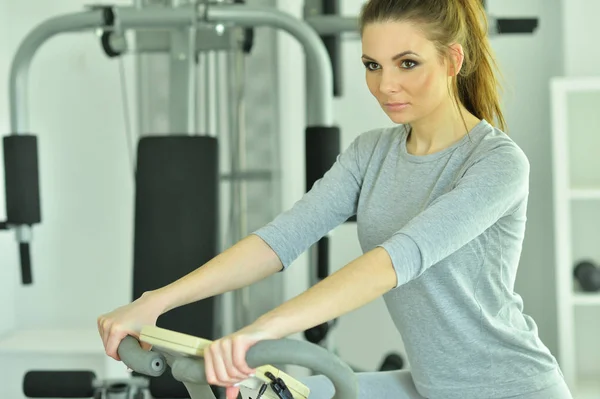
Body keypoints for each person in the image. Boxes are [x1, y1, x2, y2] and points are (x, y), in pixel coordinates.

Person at [97, 0, 573, 398]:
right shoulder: (371, 152)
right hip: (433, 386)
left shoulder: (496, 163)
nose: (385, 85)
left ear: (452, 60)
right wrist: (155, 302)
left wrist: (260, 333)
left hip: (512, 385)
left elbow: (394, 261)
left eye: (407, 63)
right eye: (372, 65)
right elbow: (280, 240)